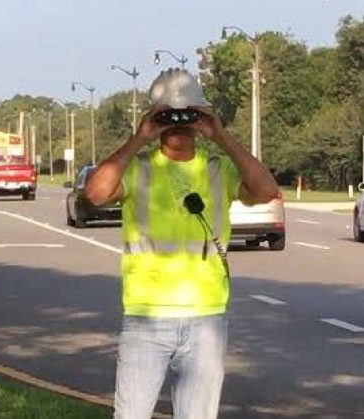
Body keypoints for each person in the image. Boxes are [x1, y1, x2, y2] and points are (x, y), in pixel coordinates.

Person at [84, 68, 279, 419]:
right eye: (167, 116)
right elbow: (95, 193)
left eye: (186, 115)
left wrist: (221, 136)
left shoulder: (218, 169)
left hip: (205, 318)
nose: (176, 123)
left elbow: (266, 190)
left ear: (201, 117)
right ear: (152, 117)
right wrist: (139, 138)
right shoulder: (137, 168)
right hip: (146, 317)